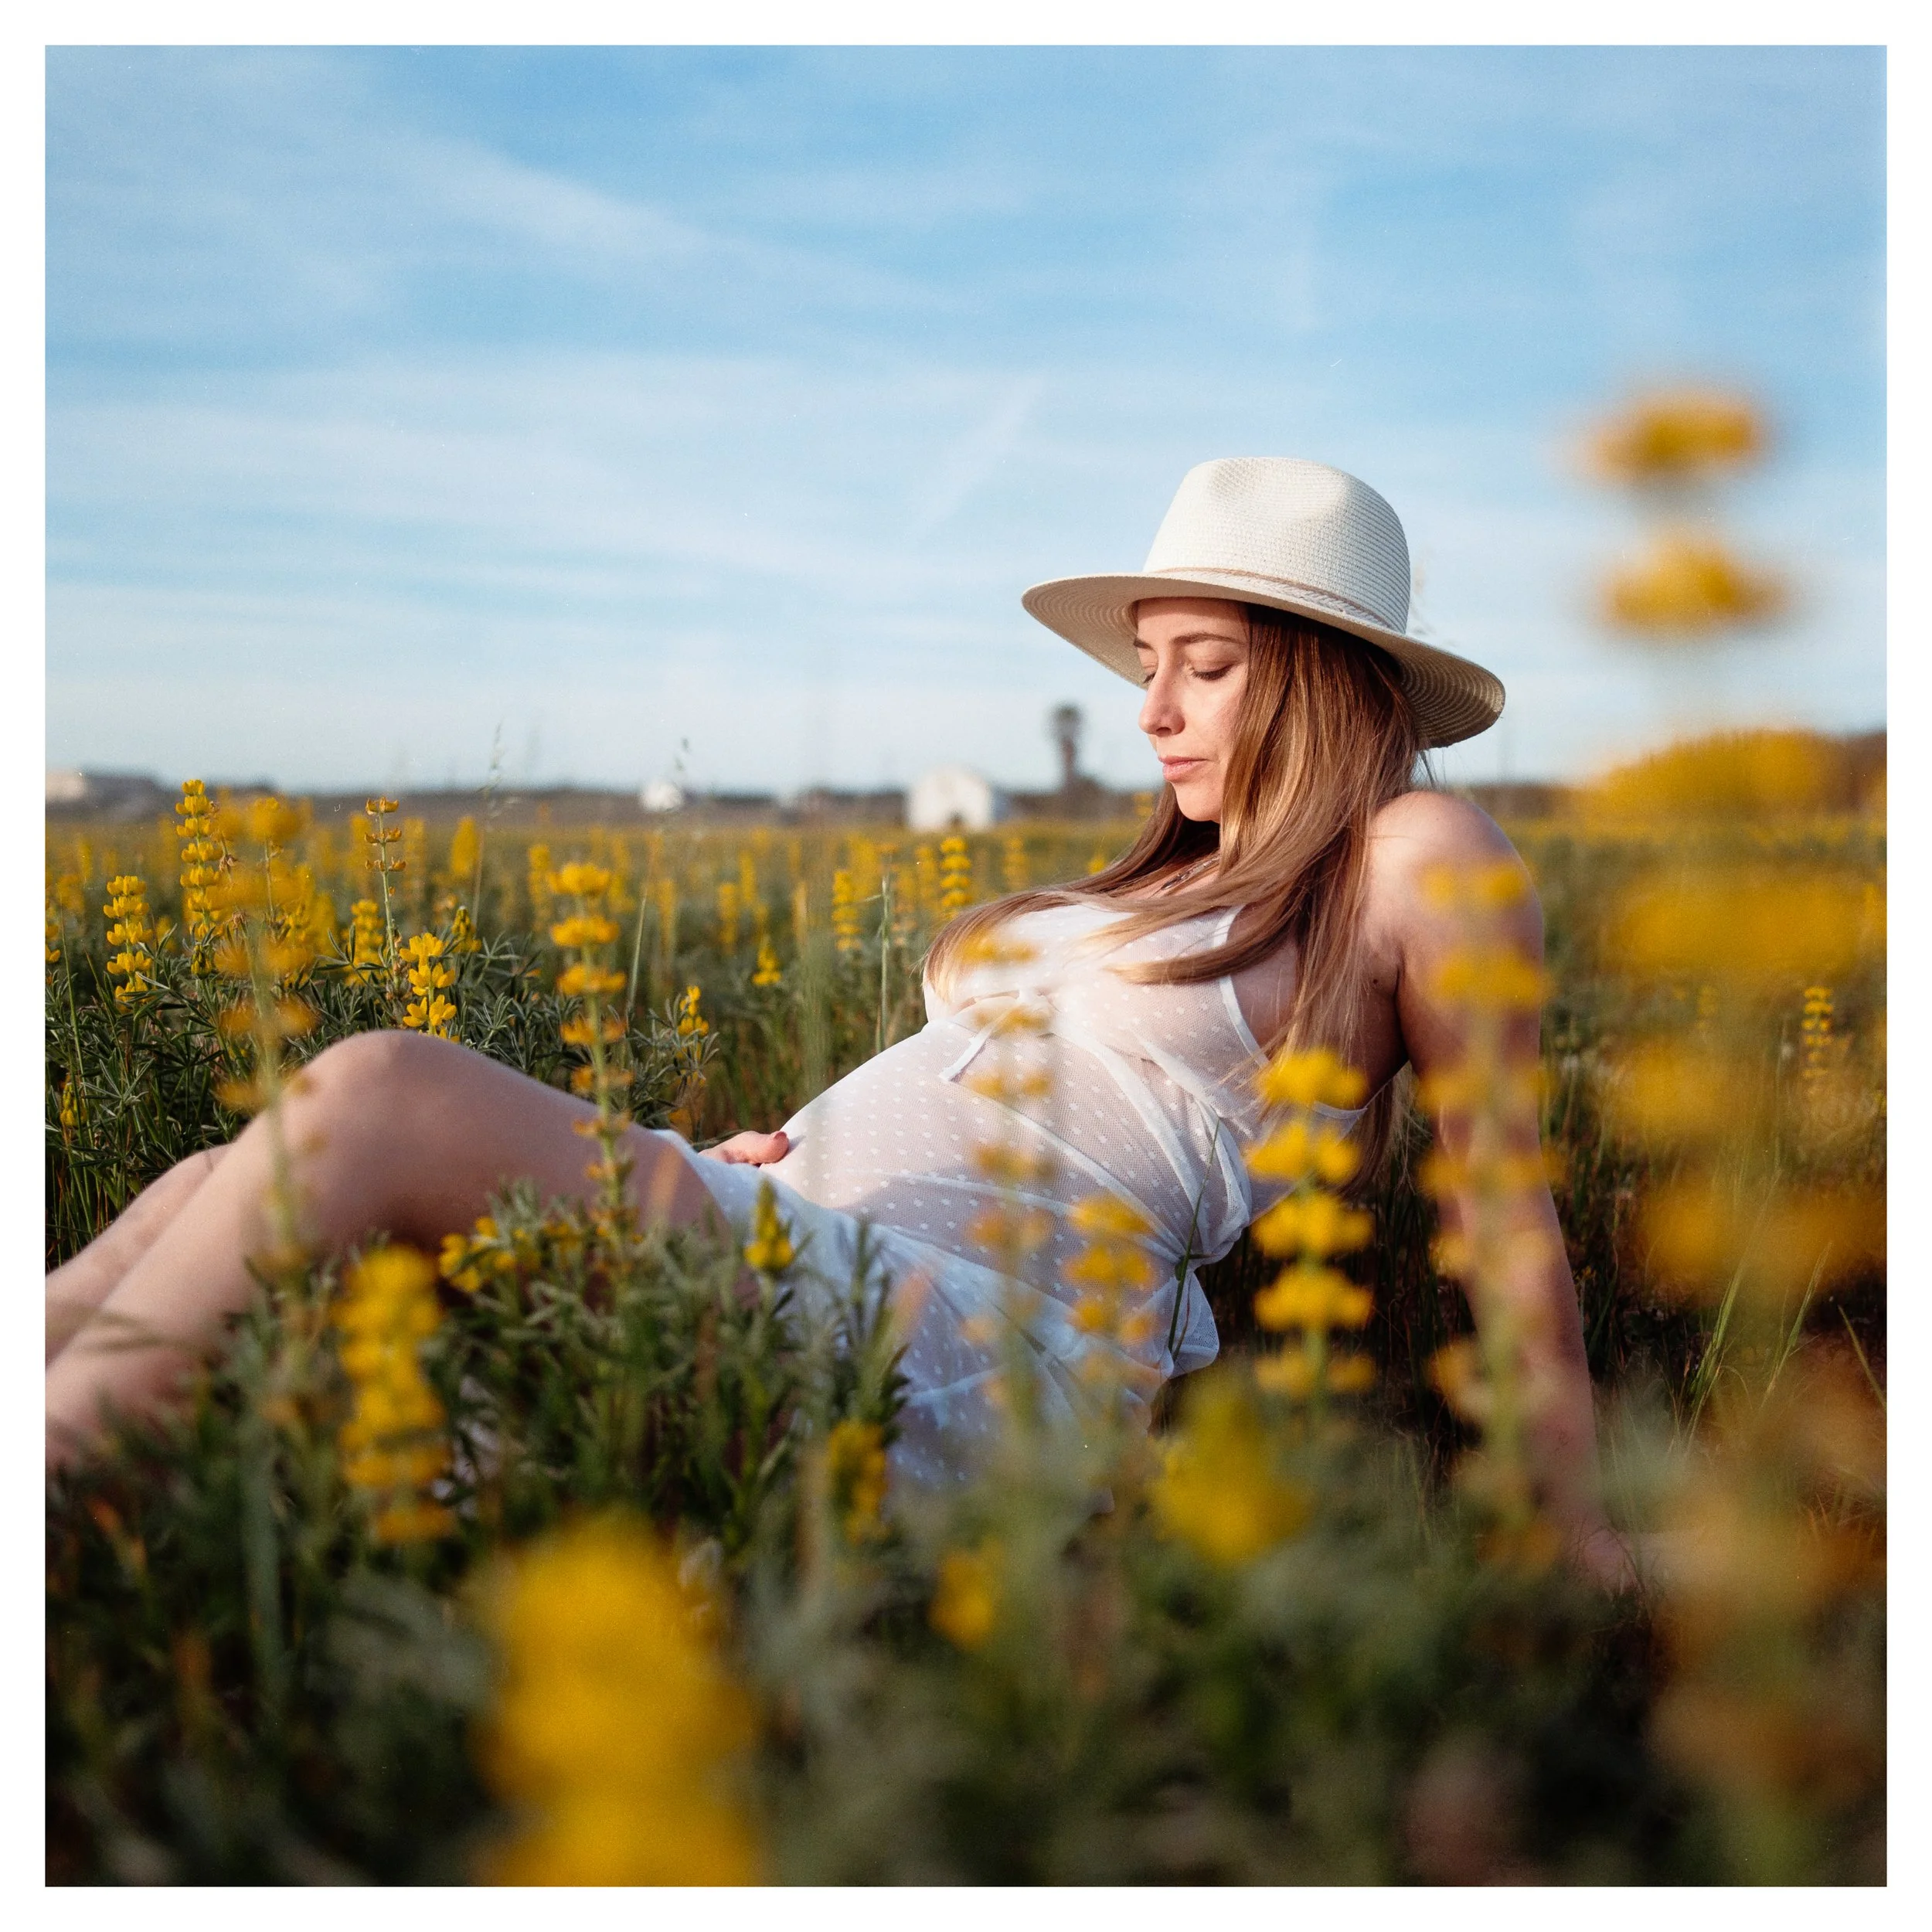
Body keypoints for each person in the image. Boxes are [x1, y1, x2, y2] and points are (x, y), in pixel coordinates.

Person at [46, 457, 1624, 1581]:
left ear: (1324, 682)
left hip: (991, 1347)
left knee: (380, 1089)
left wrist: (1567, 1522)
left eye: (1200, 669)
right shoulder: (1173, 880)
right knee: (215, 1188)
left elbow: (1501, 1212)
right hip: (802, 1241)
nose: (1150, 712)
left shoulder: (1413, 855)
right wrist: (766, 1167)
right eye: (1147, 668)